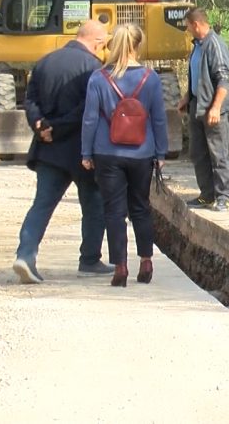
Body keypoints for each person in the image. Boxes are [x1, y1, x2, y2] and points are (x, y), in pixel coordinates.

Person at [12, 20, 112, 284]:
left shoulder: (45, 61)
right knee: (94, 203)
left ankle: (25, 255)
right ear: (98, 42)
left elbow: (30, 100)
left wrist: (40, 125)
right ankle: (89, 259)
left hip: (48, 150)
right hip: (81, 151)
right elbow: (86, 111)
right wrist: (57, 127)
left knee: (42, 205)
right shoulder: (92, 69)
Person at [81, 24, 169, 287]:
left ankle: (120, 266)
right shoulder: (150, 78)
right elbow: (159, 119)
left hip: (107, 152)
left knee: (114, 211)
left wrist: (86, 152)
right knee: (140, 207)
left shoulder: (98, 78)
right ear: (138, 45)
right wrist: (161, 151)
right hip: (142, 153)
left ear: (113, 44)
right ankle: (146, 261)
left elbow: (90, 119)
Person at [176, 7, 229, 212]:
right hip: (196, 107)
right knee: (198, 153)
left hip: (212, 109)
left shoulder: (214, 45)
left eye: (188, 27)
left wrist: (216, 107)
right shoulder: (198, 46)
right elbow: (198, 76)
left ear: (196, 24)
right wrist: (186, 98)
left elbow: (224, 80)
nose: (188, 31)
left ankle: (224, 196)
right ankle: (207, 195)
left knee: (218, 153)